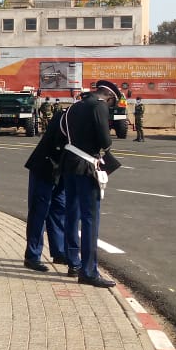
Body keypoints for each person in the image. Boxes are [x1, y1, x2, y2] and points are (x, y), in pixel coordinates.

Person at [61, 80, 120, 288]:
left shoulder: (75, 106)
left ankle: (72, 263)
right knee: (90, 219)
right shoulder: (99, 106)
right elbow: (105, 141)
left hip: (69, 161)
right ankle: (88, 271)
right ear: (110, 96)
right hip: (86, 165)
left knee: (71, 213)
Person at [22, 112, 74, 274]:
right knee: (39, 212)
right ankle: (32, 256)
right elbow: (61, 143)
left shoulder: (78, 117)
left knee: (59, 210)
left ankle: (59, 252)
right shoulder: (65, 117)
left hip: (62, 171)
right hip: (45, 167)